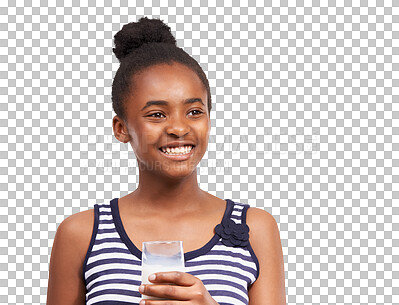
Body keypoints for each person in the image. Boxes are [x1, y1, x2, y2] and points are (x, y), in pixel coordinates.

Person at [46, 17, 286, 305]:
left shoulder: (255, 228)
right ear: (121, 129)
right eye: (157, 114)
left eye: (194, 112)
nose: (179, 128)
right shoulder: (81, 233)